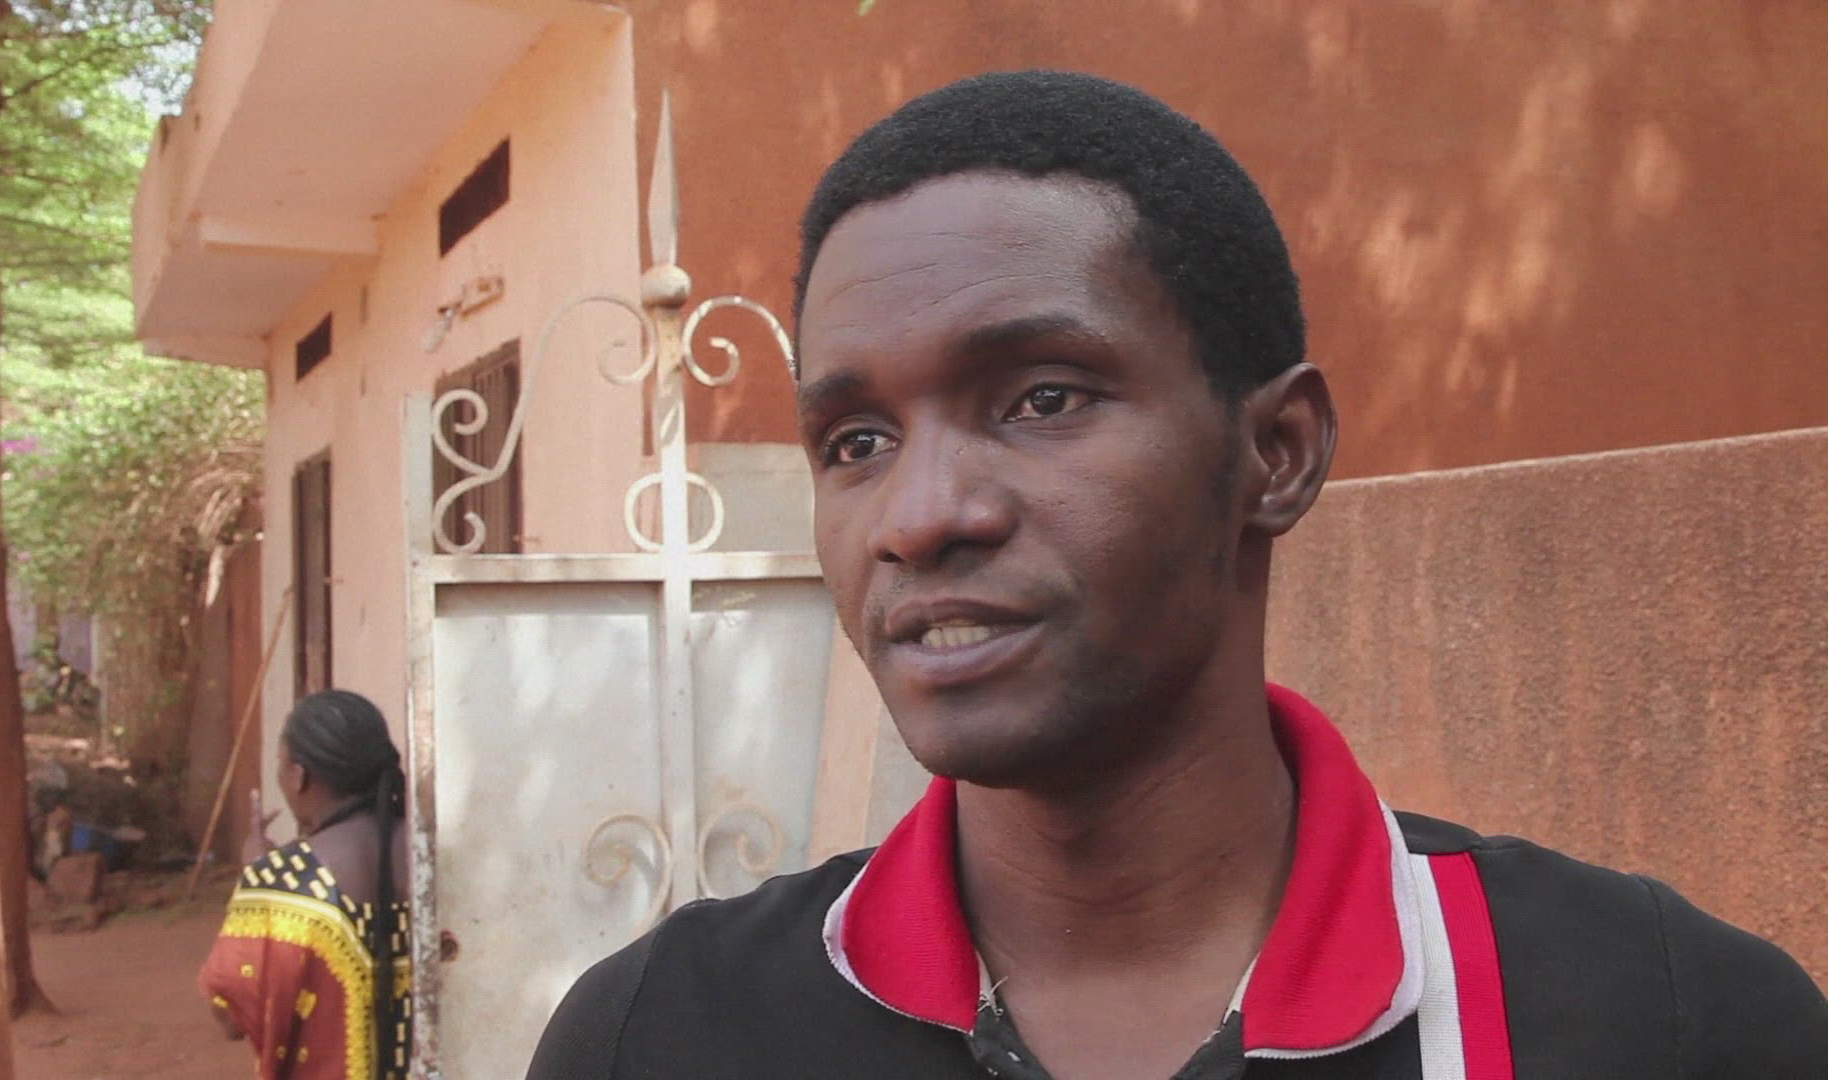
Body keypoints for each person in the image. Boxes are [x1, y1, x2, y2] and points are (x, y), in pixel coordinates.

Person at [528, 71, 1828, 1079]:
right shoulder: (665, 1035)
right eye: (856, 442)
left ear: (1277, 453)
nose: (918, 519)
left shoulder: (1665, 1020)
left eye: (1042, 398)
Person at [201, 689, 412, 1079]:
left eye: (281, 763)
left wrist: (257, 878)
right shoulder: (435, 857)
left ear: (298, 777)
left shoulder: (281, 881)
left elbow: (230, 1016)